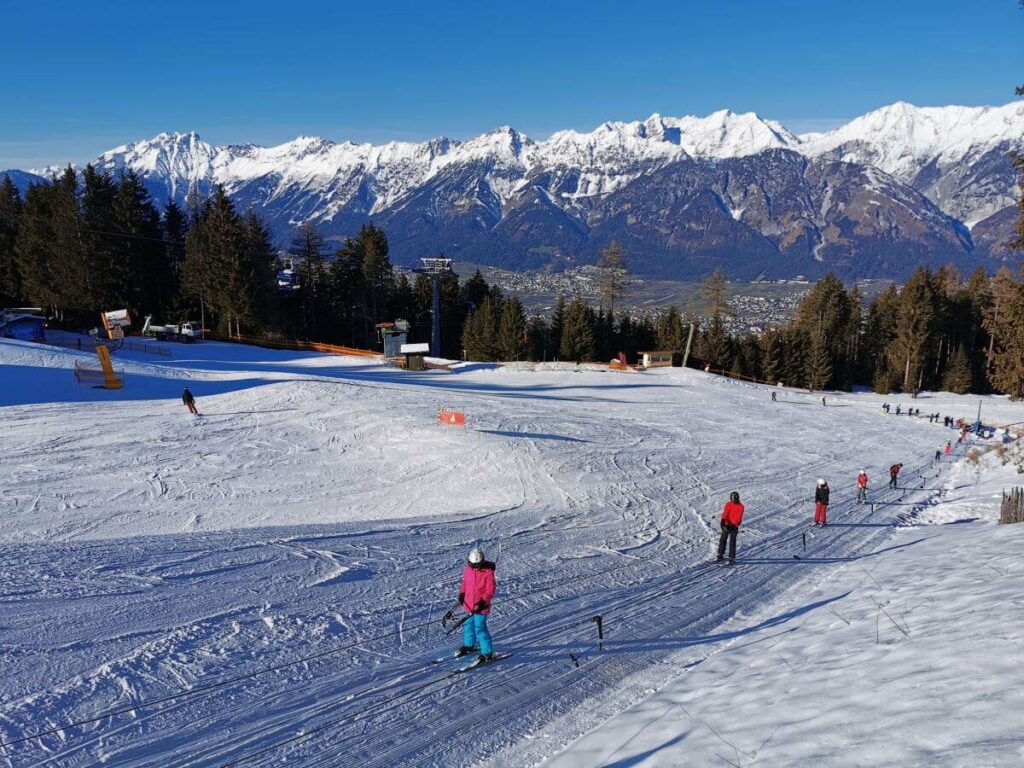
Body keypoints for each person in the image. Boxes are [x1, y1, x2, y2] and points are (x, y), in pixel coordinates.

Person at [455, 547, 497, 663]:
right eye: (473, 565)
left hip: (481, 607)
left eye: (477, 565)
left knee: (480, 628)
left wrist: (483, 601)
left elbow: (491, 589)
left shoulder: (488, 572)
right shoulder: (468, 569)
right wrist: (462, 593)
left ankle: (487, 652)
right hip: (468, 604)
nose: (475, 568)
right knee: (468, 625)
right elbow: (465, 582)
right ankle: (469, 645)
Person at [717, 491, 745, 565]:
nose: (734, 501)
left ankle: (731, 557)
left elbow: (738, 517)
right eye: (732, 500)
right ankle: (720, 554)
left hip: (734, 526)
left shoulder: (741, 506)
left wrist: (733, 525)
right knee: (723, 539)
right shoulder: (728, 504)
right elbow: (725, 513)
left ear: (737, 499)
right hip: (727, 524)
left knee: (732, 541)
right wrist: (723, 521)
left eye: (735, 500)